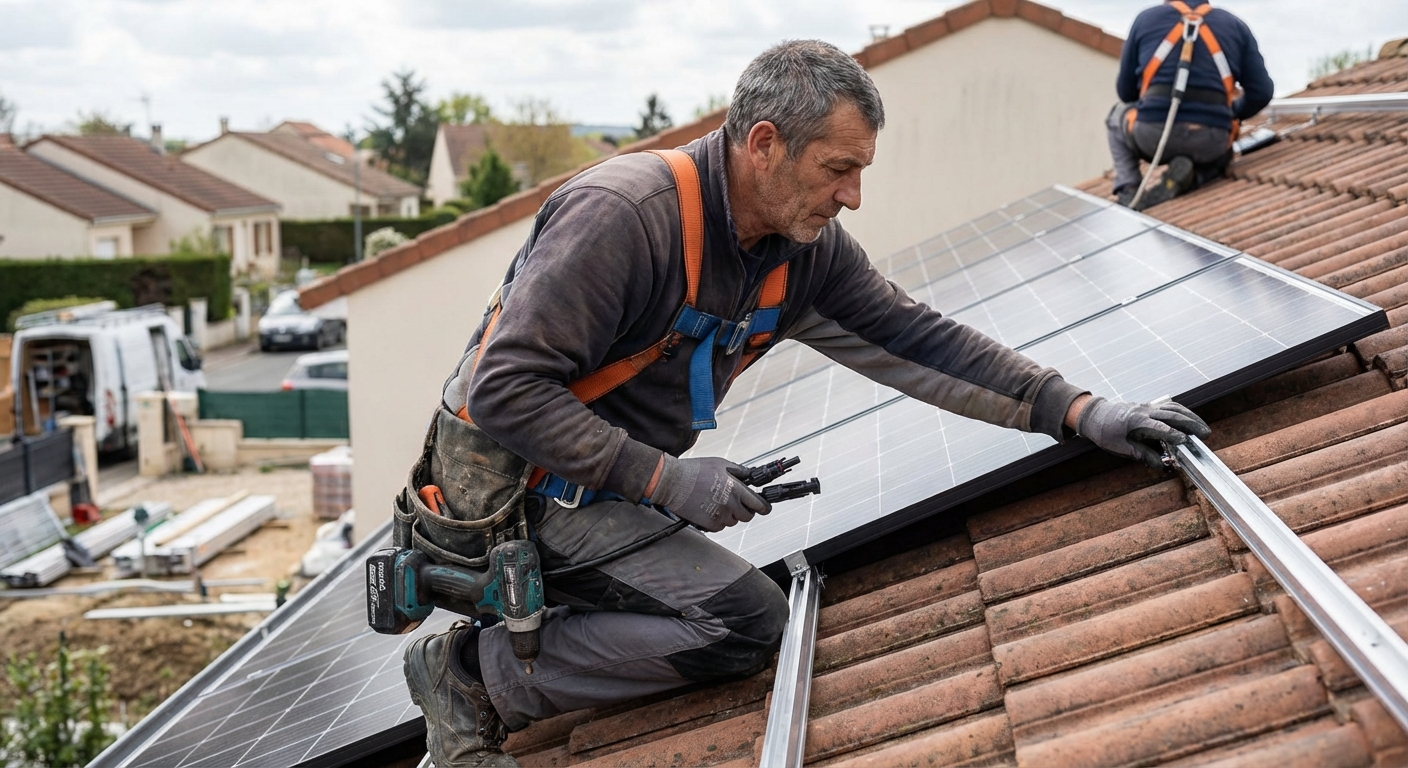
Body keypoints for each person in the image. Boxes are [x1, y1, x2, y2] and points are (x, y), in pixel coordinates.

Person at [402, 40, 1212, 767]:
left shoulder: (801, 255)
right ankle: (472, 674)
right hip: (509, 494)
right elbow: (504, 390)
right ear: (764, 145)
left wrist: (1078, 410)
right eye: (838, 169)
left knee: (736, 609)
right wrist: (667, 482)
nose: (853, 196)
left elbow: (917, 340)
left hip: (601, 483)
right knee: (744, 623)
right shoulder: (627, 216)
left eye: (860, 172)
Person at [1107, 0, 1273, 209]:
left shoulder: (1146, 19)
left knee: (1116, 116)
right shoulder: (1234, 25)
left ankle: (1129, 188)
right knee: (1223, 154)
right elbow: (1262, 92)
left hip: (1153, 136)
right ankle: (1194, 178)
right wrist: (1232, 113)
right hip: (1211, 140)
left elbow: (1125, 93)